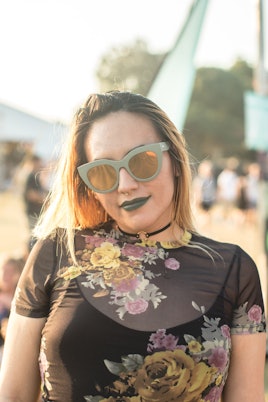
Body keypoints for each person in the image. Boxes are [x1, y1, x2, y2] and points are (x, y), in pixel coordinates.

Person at [0, 91, 266, 402]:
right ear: (88, 186)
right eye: (102, 171)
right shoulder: (56, 252)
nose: (125, 184)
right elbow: (13, 394)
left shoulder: (233, 270)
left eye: (142, 160)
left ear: (175, 162)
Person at [23, 155, 49, 246]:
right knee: (34, 237)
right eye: (38, 162)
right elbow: (31, 194)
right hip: (33, 211)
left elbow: (41, 190)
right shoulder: (30, 177)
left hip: (37, 211)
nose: (40, 164)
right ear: (33, 162)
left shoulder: (35, 176)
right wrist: (45, 200)